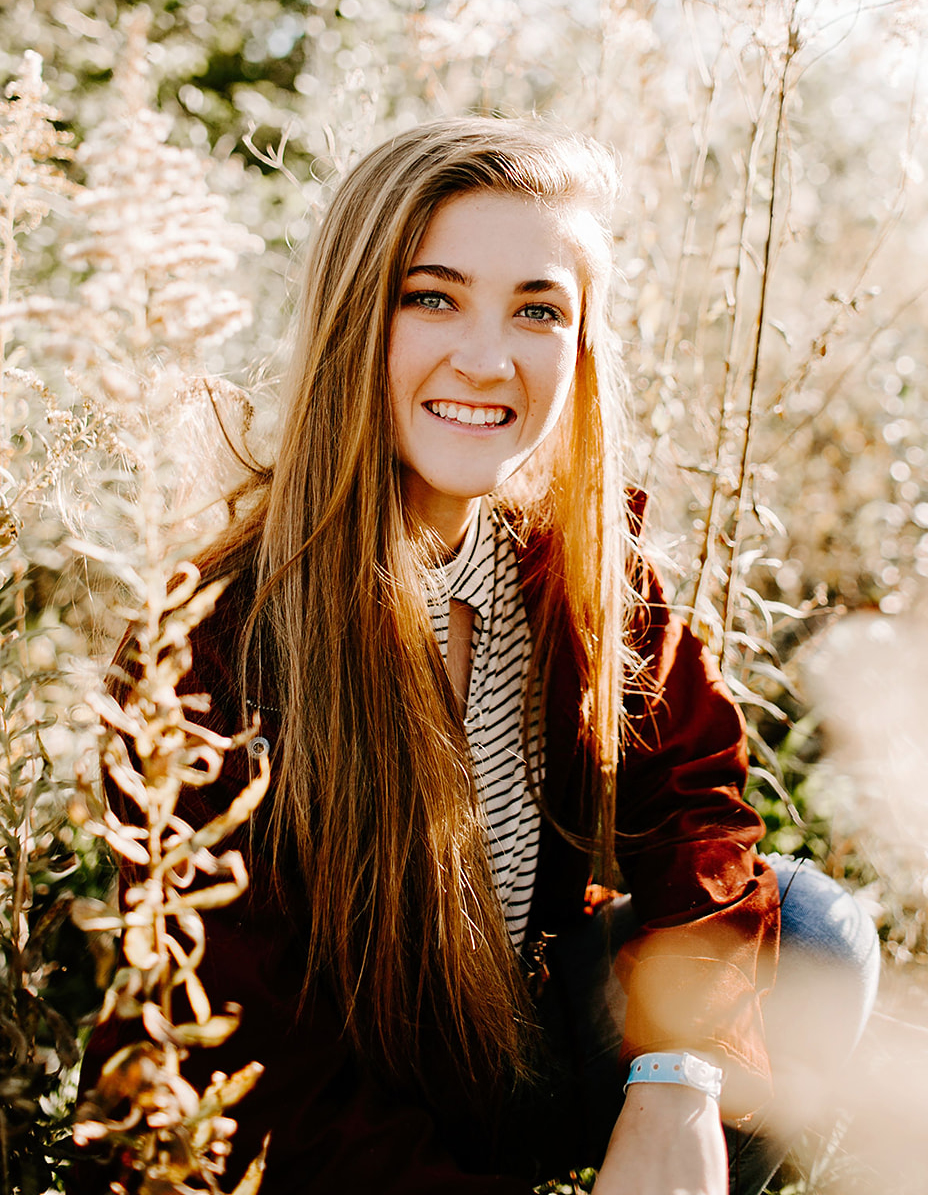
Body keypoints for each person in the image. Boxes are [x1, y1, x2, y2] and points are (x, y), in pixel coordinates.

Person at [77, 118, 878, 1194]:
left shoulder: (572, 565)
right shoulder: (214, 648)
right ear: (356, 316)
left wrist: (681, 1076)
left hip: (505, 1067)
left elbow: (695, 808)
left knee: (814, 930)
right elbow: (252, 1062)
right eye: (432, 295)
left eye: (536, 309)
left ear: (580, 342)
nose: (487, 357)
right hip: (306, 1130)